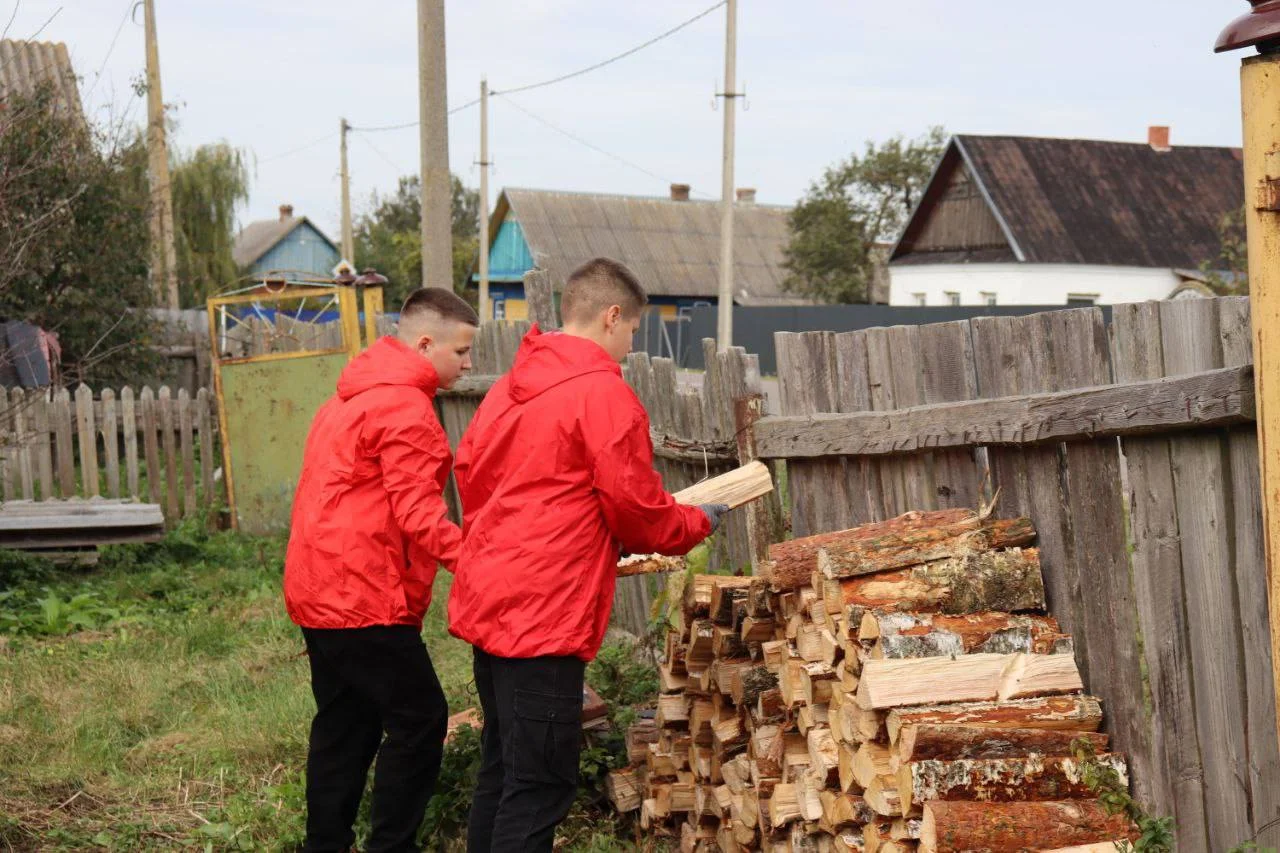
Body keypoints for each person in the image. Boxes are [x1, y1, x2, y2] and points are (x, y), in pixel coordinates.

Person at [448, 257, 729, 852]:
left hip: (492, 601)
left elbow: (473, 475)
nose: (630, 346)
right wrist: (697, 520)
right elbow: (638, 512)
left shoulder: (509, 387)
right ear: (611, 317)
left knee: (503, 770)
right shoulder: (602, 394)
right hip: (543, 616)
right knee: (539, 786)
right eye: (632, 332)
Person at [284, 287, 478, 853]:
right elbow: (419, 512)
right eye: (462, 351)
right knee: (420, 721)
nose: (468, 364)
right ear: (424, 343)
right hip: (363, 596)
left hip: (319, 589)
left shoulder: (347, 399)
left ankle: (324, 844)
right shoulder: (404, 407)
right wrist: (479, 564)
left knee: (348, 726)